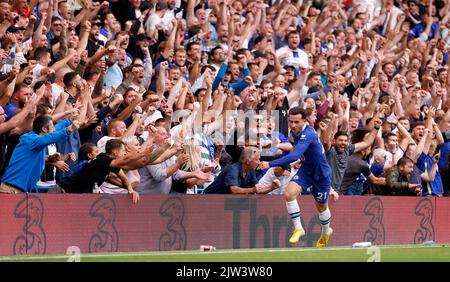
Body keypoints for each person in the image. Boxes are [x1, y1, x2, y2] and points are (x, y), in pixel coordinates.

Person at [258, 107, 335, 247]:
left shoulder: (309, 133)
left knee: (321, 206)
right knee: (289, 194)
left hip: (321, 173)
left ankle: (325, 232)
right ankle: (299, 228)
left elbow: (294, 155)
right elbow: (294, 148)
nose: (293, 125)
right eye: (291, 121)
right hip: (305, 169)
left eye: (296, 122)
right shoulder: (293, 132)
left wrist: (269, 163)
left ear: (304, 121)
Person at [1, 115, 79, 193]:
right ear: (44, 129)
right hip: (10, 190)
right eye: (52, 127)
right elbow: (51, 137)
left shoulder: (37, 141)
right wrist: (69, 129)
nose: (54, 129)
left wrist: (68, 121)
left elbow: (54, 131)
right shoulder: (31, 140)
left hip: (18, 190)